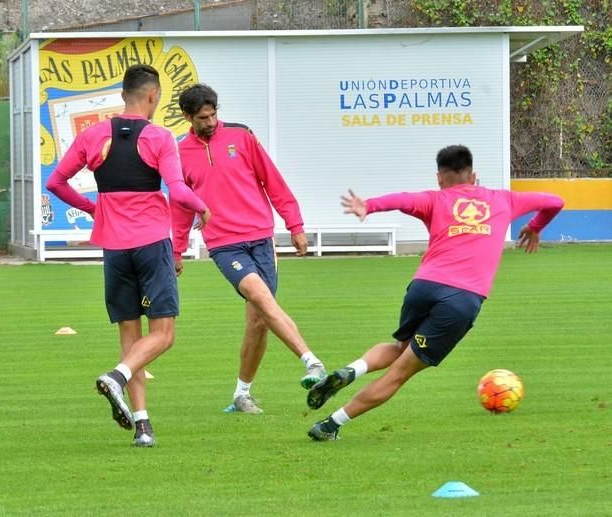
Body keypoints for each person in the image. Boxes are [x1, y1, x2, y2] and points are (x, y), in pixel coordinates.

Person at [306, 144, 564, 440]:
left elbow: (403, 199)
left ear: (439, 177)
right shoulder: (504, 199)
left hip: (423, 287)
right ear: (474, 175)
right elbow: (555, 201)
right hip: (462, 298)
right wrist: (534, 227)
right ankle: (331, 425)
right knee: (400, 373)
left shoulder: (435, 199)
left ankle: (352, 370)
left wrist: (369, 205)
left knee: (400, 347)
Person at [46, 64, 210, 447]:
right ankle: (116, 378)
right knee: (163, 335)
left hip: (114, 249)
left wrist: (90, 209)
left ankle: (142, 425)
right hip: (151, 244)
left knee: (130, 339)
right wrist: (203, 207)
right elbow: (177, 191)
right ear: (152, 96)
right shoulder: (159, 137)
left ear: (124, 95)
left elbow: (56, 181)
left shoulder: (92, 135)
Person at [172, 83, 326, 414]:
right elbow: (181, 204)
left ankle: (242, 394)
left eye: (213, 115)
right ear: (187, 117)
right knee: (260, 296)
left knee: (259, 320)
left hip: (261, 237)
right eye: (202, 118)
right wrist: (177, 249)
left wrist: (295, 225)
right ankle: (312, 362)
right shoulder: (179, 152)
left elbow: (273, 181)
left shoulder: (242, 136)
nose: (211, 122)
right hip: (224, 244)